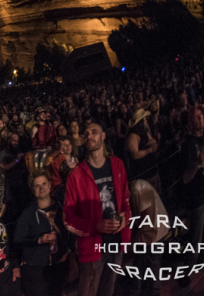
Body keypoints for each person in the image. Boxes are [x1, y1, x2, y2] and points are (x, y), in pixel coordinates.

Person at [63, 123, 131, 296]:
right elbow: (67, 219)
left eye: (94, 132)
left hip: (116, 243)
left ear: (103, 136)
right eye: (86, 134)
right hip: (93, 248)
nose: (89, 136)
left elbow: (125, 201)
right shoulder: (76, 175)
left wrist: (125, 218)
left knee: (108, 291)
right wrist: (95, 226)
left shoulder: (117, 165)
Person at [179, 105, 204, 287]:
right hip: (196, 198)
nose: (200, 119)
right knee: (195, 237)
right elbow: (185, 178)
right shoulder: (188, 145)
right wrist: (197, 163)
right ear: (190, 122)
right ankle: (187, 271)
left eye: (201, 116)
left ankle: (203, 258)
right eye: (196, 117)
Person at [13, 170, 68, 296]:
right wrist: (39, 240)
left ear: (49, 185)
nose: (41, 188)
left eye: (44, 184)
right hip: (36, 267)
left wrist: (67, 250)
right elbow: (17, 240)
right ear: (32, 189)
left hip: (58, 264)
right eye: (37, 186)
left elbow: (68, 231)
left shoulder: (60, 207)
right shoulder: (28, 213)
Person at [126, 109, 160, 194]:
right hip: (142, 174)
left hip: (151, 171)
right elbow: (135, 154)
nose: (146, 121)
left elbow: (150, 141)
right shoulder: (133, 135)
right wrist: (150, 150)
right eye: (145, 119)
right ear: (140, 122)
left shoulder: (143, 132)